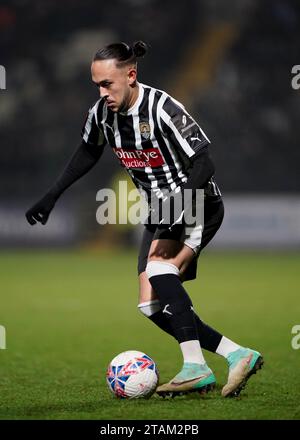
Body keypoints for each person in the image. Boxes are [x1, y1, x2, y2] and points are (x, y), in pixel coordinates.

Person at [25, 41, 263, 398]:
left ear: (131, 75)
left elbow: (205, 162)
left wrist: (179, 204)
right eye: (97, 85)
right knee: (150, 304)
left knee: (158, 269)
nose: (102, 92)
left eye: (108, 83)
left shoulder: (163, 107)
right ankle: (236, 354)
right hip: (158, 208)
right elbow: (88, 151)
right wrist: (51, 195)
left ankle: (195, 367)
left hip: (195, 198)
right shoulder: (102, 114)